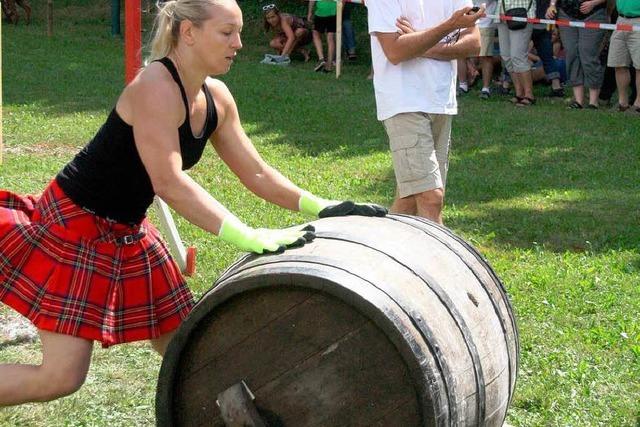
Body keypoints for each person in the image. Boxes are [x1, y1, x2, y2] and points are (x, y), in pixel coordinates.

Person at [0, 0, 386, 406]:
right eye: (226, 33)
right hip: (73, 226)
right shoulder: (154, 87)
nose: (238, 43)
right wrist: (245, 233)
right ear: (188, 33)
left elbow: (255, 172)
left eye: (238, 32)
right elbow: (168, 181)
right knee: (61, 376)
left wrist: (322, 206)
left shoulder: (216, 96)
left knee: (191, 343)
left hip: (125, 230)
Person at [367, 1, 483, 224]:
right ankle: (444, 259)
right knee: (430, 197)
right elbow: (395, 50)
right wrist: (449, 27)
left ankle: (382, 256)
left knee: (409, 200)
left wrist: (422, 43)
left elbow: (474, 43)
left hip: (440, 101)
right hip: (403, 101)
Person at [546, 0, 607, 109]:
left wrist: (593, 3)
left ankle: (593, 102)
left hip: (594, 14)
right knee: (571, 53)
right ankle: (578, 101)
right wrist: (552, 5)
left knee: (588, 54)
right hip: (566, 13)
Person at [497, 0, 537, 106]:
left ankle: (529, 95)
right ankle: (519, 93)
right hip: (501, 13)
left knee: (517, 56)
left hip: (522, 12)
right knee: (506, 56)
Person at [606, 0, 640, 112]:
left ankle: (638, 105)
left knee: (639, 66)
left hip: (638, 20)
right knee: (618, 63)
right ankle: (622, 104)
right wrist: (609, 13)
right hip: (620, 20)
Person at [531, 0, 565, 97]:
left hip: (529, 18)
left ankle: (505, 84)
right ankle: (556, 86)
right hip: (545, 18)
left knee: (516, 52)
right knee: (548, 56)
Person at [307, 0, 337, 72]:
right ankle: (329, 64)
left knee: (316, 34)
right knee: (330, 38)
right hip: (334, 12)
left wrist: (310, 12)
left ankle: (321, 59)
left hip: (321, 12)